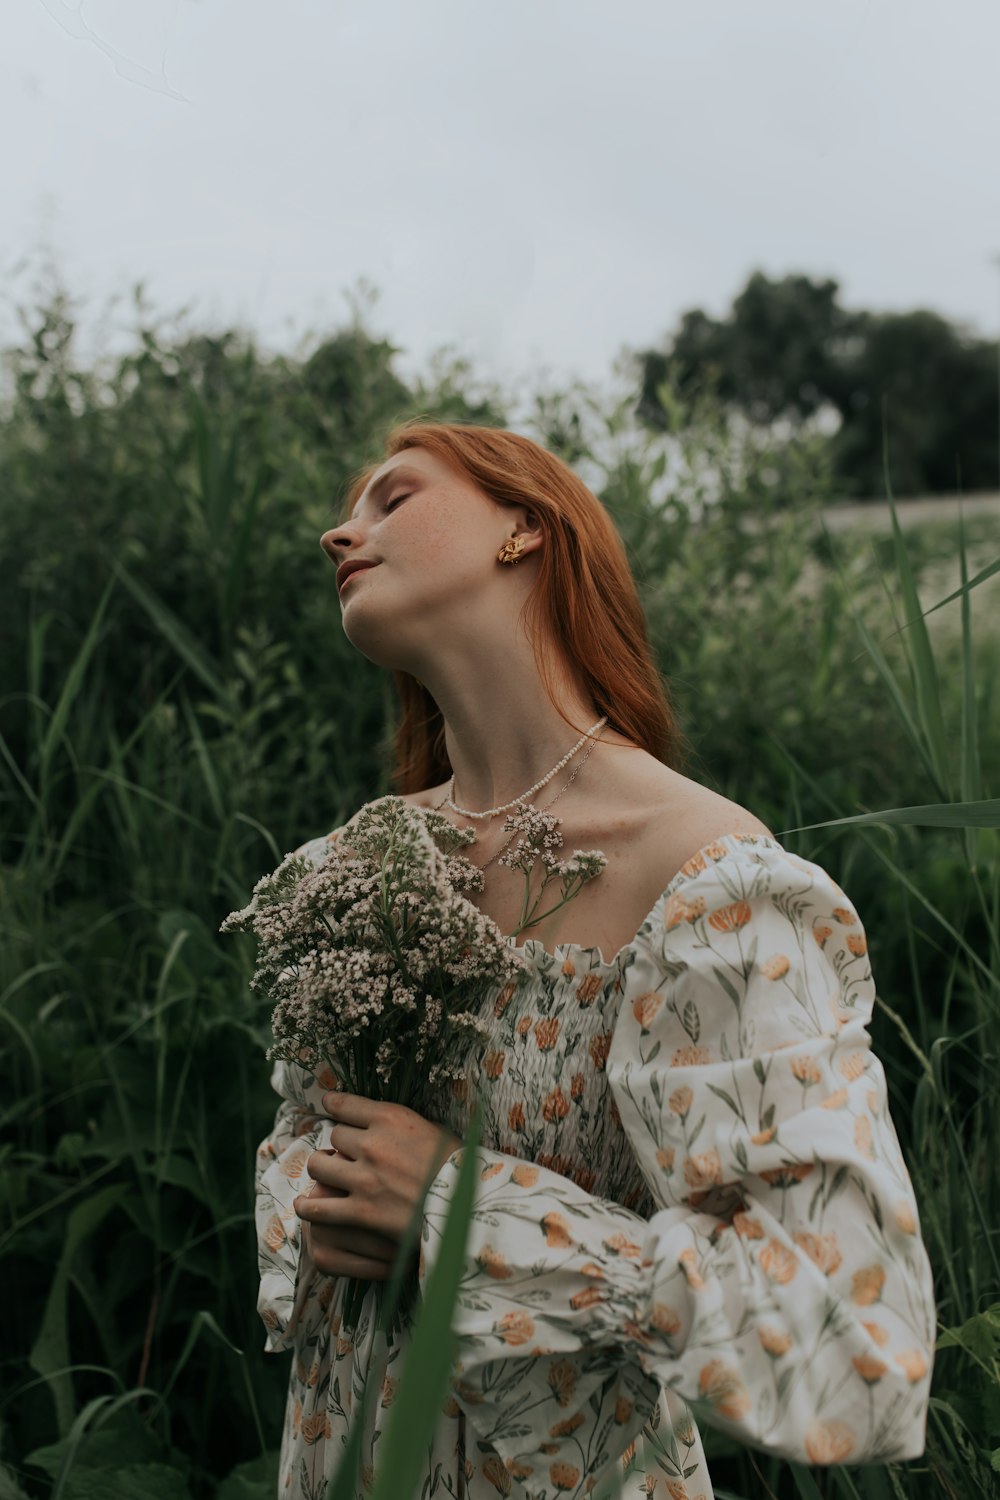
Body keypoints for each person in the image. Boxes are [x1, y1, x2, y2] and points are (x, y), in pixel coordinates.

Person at [253, 419, 935, 1500]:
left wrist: (459, 1206)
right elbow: (308, 1152)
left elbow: (846, 1341)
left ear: (523, 528)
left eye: (394, 497)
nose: (341, 532)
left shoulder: (703, 879)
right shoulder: (354, 868)